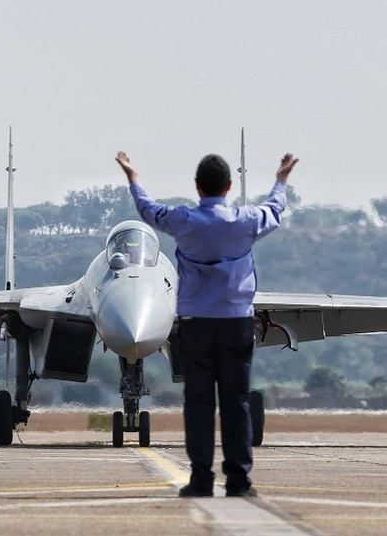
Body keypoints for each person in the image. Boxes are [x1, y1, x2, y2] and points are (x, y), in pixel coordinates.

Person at [115, 149, 298, 497]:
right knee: (236, 402)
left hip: (196, 326)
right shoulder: (246, 220)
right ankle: (239, 481)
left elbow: (147, 211)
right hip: (236, 325)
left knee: (198, 402)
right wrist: (281, 179)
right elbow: (275, 209)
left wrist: (133, 177)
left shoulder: (183, 220)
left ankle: (200, 479)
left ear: (197, 187)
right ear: (229, 187)